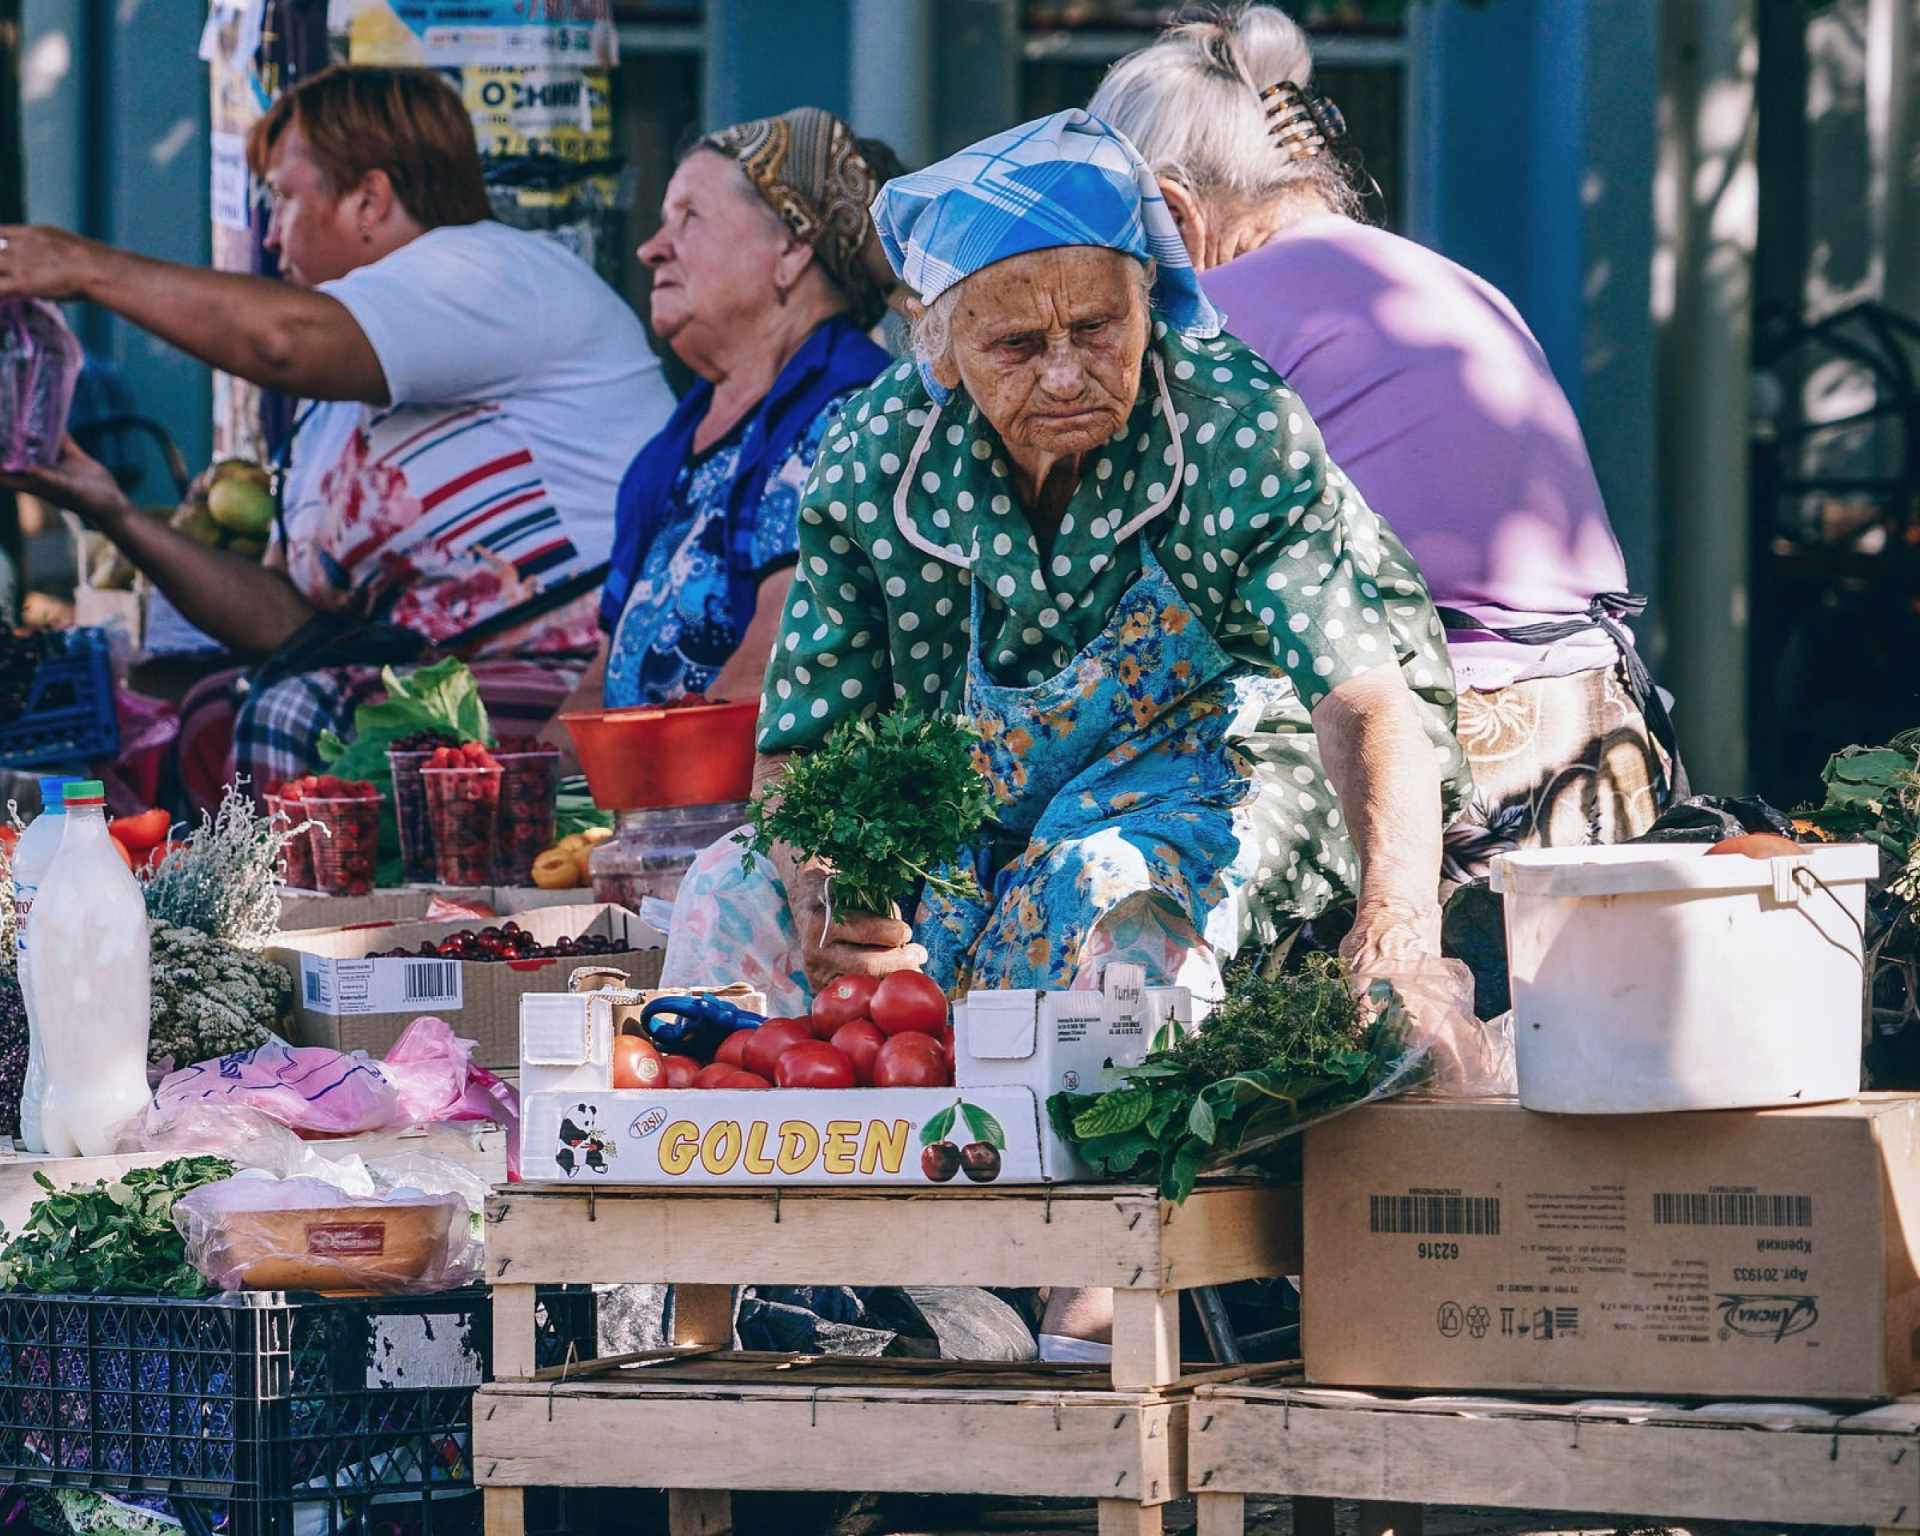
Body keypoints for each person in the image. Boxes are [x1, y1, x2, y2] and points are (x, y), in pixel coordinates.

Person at [663, 106, 1471, 1033]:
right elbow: (799, 750)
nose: (1062, 376)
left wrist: (1398, 924)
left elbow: (1362, 700)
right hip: (975, 807)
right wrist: (820, 884)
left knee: (1102, 893)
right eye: (1014, 345)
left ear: (1151, 302)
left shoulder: (1226, 427)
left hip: (1219, 772)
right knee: (726, 884)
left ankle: (1067, 1176)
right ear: (943, 344)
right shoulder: (872, 459)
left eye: (1096, 328)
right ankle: (779, 1164)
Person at [1088, 5, 1684, 877]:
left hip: (1451, 746)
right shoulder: (1441, 279)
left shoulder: (1216, 316)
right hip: (1609, 733)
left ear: (1171, 209)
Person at [0, 65, 675, 796]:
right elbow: (289, 626)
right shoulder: (334, 411)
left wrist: (86, 267)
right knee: (207, 709)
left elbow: (282, 342)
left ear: (369, 200)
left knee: (287, 712)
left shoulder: (496, 273)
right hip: (417, 688)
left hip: (587, 680)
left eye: (284, 198)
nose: (267, 229)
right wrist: (115, 512)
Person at [546, 107, 899, 734]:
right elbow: (602, 677)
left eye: (689, 218)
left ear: (790, 247)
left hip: (736, 812)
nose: (651, 249)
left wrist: (639, 803)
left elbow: (772, 666)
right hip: (649, 810)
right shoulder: (676, 448)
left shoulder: (849, 416)